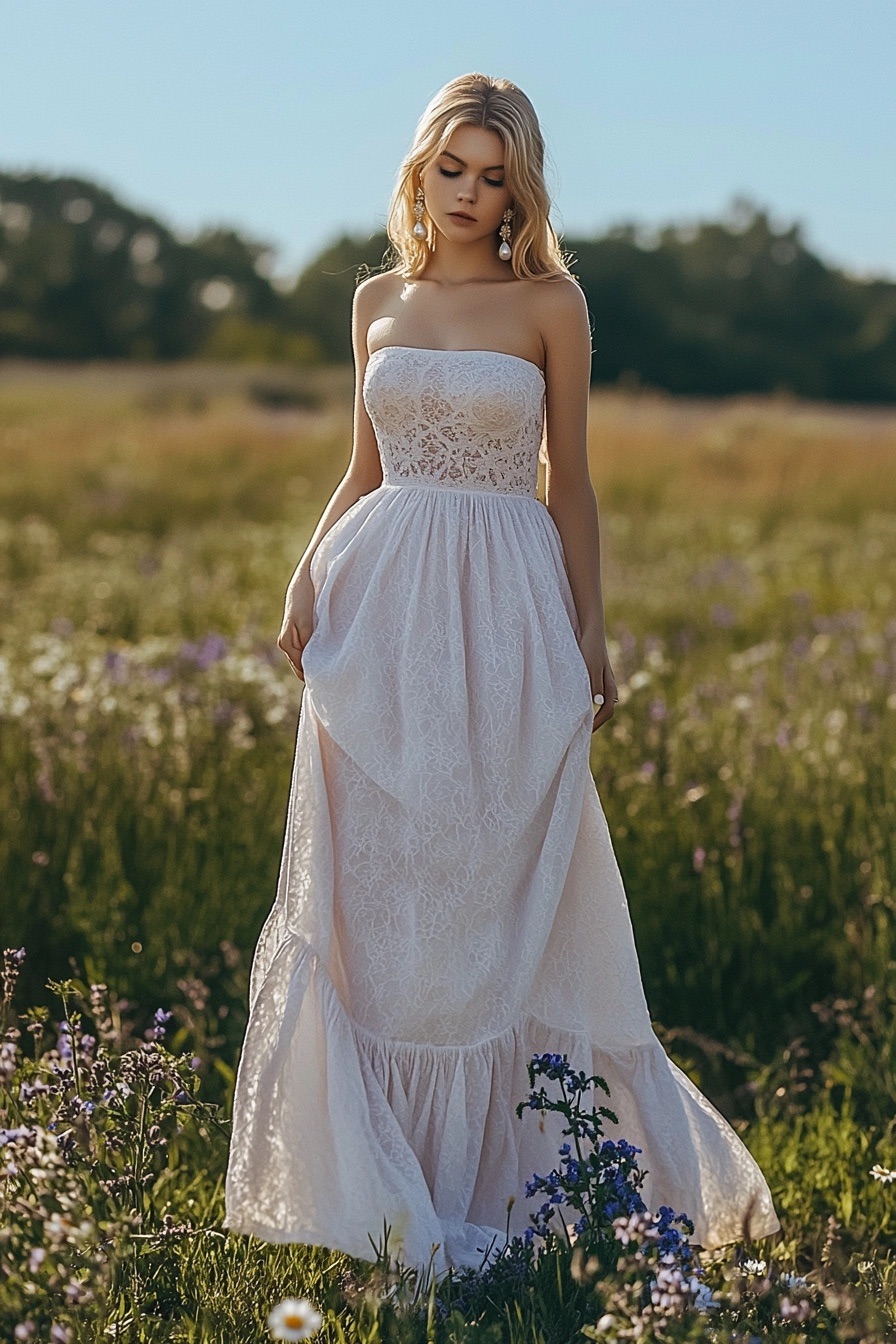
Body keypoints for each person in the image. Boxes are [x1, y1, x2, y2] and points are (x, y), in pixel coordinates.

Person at [223, 71, 780, 1279]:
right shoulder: (375, 297)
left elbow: (566, 480)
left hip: (506, 601)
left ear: (518, 184)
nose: (469, 193)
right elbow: (360, 469)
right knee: (379, 891)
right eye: (450, 169)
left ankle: (523, 1171)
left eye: (492, 173)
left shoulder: (551, 303)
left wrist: (591, 631)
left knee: (495, 876)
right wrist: (300, 580)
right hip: (374, 611)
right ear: (419, 170)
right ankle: (383, 1177)